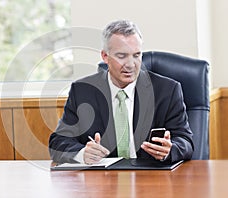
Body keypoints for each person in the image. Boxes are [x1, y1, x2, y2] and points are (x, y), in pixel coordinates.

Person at [49, 19, 194, 164]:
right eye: (122, 56)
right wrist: (82, 153)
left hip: (151, 177)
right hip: (102, 181)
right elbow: (58, 142)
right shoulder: (82, 91)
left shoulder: (167, 90)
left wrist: (170, 150)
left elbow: (186, 141)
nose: (131, 64)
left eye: (136, 55)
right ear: (105, 56)